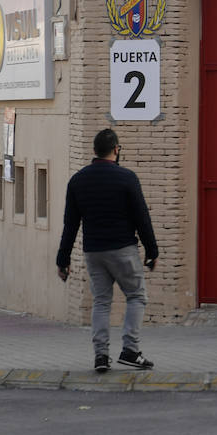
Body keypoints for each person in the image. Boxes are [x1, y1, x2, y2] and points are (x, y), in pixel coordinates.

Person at [57, 128, 159, 373]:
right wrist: (151, 250)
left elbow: (70, 224)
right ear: (116, 149)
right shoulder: (127, 178)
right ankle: (130, 350)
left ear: (94, 151)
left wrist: (63, 259)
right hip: (123, 249)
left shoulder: (78, 180)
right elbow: (141, 217)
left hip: (94, 252)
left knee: (101, 302)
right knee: (136, 296)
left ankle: (101, 356)